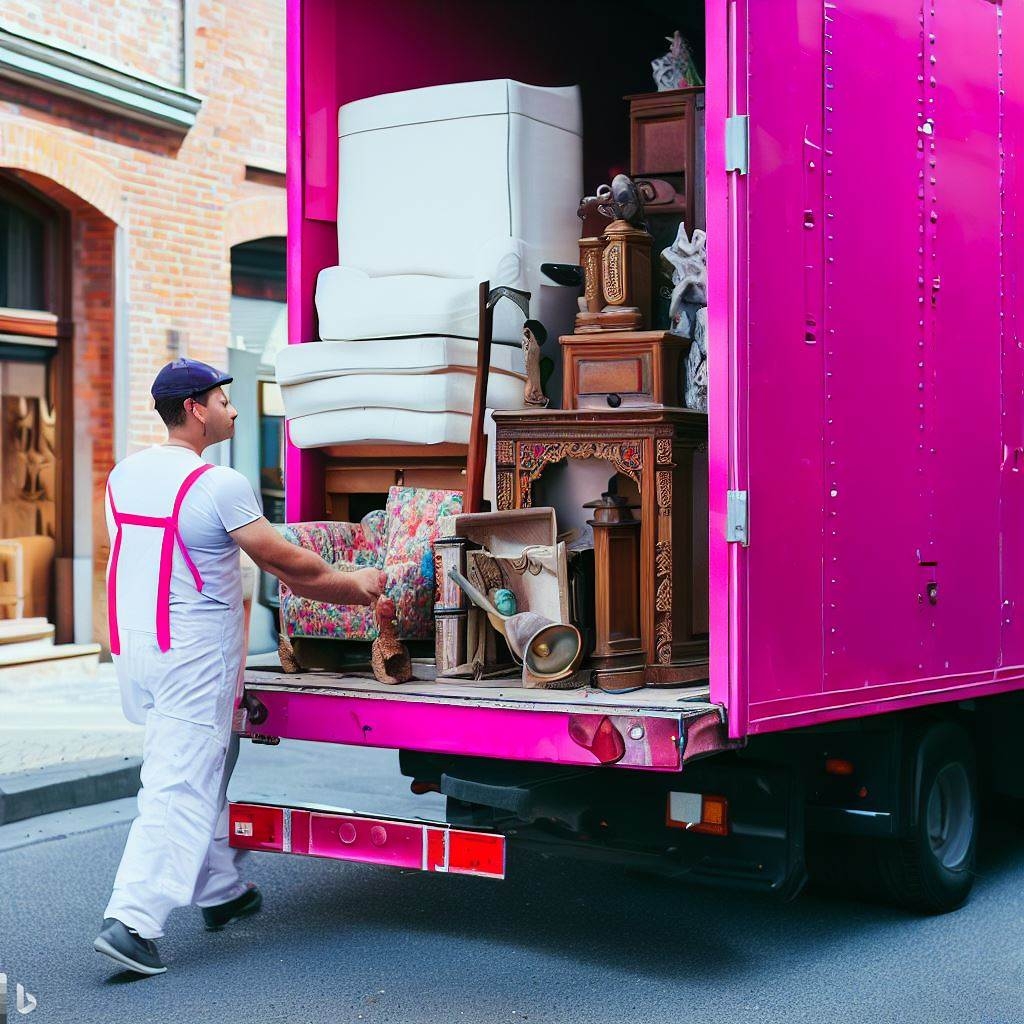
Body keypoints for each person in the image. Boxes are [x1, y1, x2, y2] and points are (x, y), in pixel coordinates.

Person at [93, 358, 385, 976]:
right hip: (192, 655)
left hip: (139, 647)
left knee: (207, 759)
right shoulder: (216, 485)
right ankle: (132, 921)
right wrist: (357, 585)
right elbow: (290, 566)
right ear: (196, 409)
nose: (232, 407)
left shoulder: (125, 474)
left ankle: (220, 888)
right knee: (179, 782)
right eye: (224, 399)